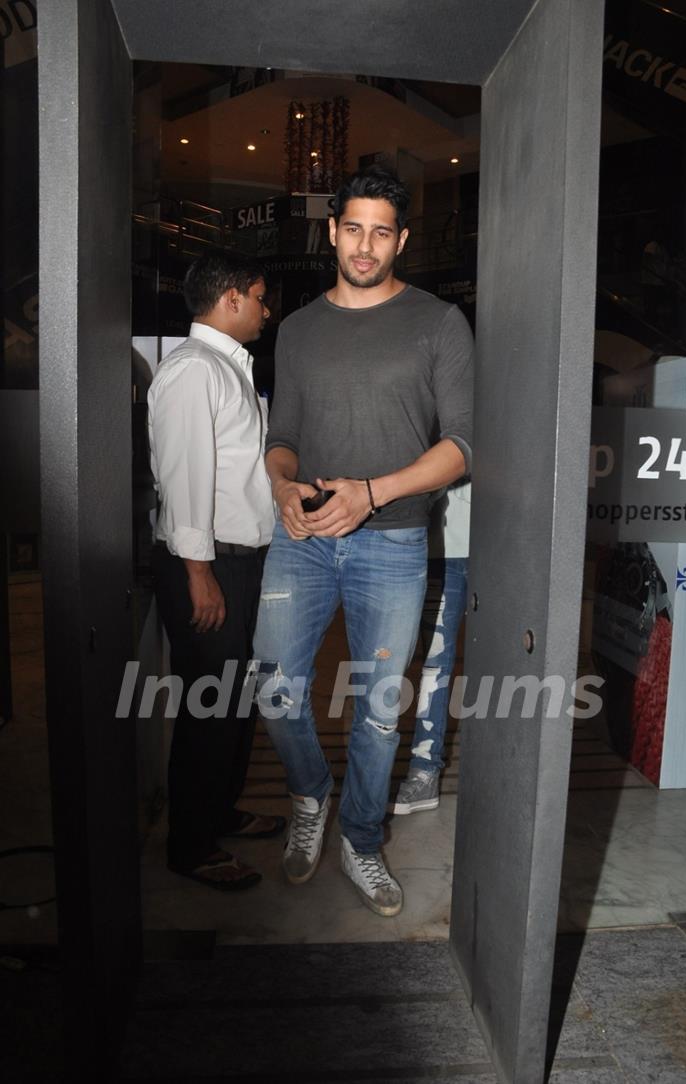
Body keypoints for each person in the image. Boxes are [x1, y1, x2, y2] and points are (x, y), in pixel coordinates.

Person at [249, 165, 474, 917]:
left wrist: (371, 493)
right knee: (274, 687)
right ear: (333, 231)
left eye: (382, 231)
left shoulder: (439, 323)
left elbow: (464, 447)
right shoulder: (298, 328)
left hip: (395, 542)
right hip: (304, 535)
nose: (366, 244)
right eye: (354, 228)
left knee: (380, 707)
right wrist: (283, 486)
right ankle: (310, 792)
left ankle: (361, 836)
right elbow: (282, 439)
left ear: (402, 238)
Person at [148, 252, 284, 891]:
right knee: (209, 706)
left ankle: (217, 811)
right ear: (231, 298)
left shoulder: (227, 368)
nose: (266, 309)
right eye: (260, 297)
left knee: (233, 702)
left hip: (237, 562)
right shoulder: (192, 371)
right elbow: (184, 479)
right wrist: (198, 571)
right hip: (208, 567)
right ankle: (191, 845)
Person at [392, 478, 470, 814]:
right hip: (441, 551)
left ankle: (513, 770)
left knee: (510, 664)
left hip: (505, 552)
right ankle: (424, 771)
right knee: (434, 668)